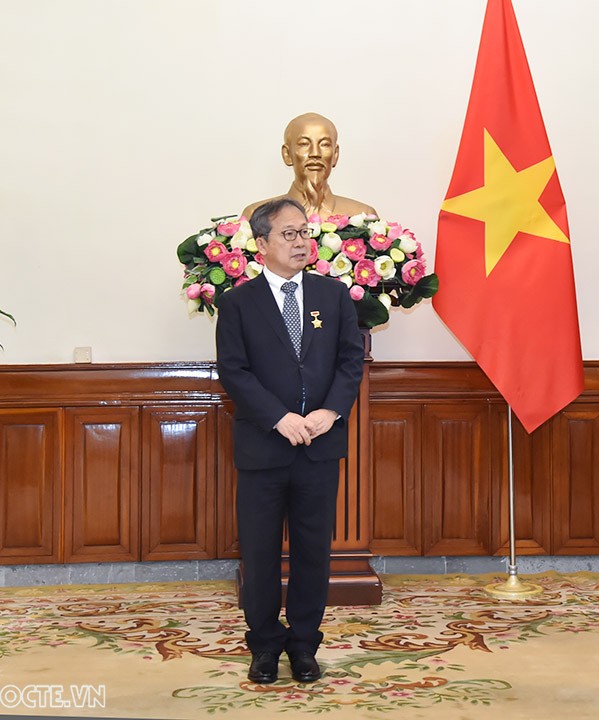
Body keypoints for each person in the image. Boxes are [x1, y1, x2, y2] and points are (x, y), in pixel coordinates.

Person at [215, 198, 364, 685]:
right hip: (264, 446)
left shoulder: (334, 294)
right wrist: (278, 417)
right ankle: (263, 645)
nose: (301, 242)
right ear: (261, 244)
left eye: (305, 232)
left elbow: (350, 362)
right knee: (258, 553)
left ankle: (304, 644)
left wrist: (330, 411)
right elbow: (234, 371)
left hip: (319, 445)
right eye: (289, 234)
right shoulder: (237, 303)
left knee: (312, 551)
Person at [243, 113, 377, 220]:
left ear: (335, 154)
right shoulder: (256, 215)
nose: (315, 154)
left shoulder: (362, 215)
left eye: (324, 144)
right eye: (304, 144)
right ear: (287, 154)